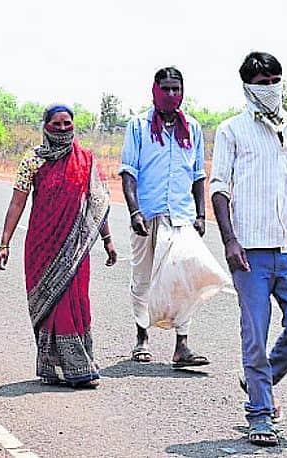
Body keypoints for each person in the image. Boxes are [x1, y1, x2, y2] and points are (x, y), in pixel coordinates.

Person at [210, 52, 287, 447]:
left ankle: (262, 380)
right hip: (249, 252)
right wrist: (229, 240)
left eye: (275, 79)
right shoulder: (232, 130)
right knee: (254, 333)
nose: (270, 87)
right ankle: (259, 414)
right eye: (262, 81)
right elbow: (219, 186)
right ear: (247, 86)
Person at [0, 104, 116, 389]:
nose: (62, 129)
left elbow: (97, 205)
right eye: (56, 124)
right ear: (46, 126)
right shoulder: (32, 161)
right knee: (50, 305)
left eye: (67, 123)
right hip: (42, 244)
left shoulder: (85, 159)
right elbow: (17, 203)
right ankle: (55, 368)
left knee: (77, 303)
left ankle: (79, 365)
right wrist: (4, 243)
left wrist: (107, 239)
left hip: (75, 246)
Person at [118, 67, 211, 368]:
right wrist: (134, 212)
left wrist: (201, 214)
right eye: (166, 89)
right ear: (155, 91)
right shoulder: (138, 126)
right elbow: (129, 172)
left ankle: (181, 345)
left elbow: (198, 175)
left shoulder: (193, 129)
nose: (171, 95)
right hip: (148, 214)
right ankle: (141, 338)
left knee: (185, 280)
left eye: (176, 89)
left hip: (182, 216)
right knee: (143, 277)